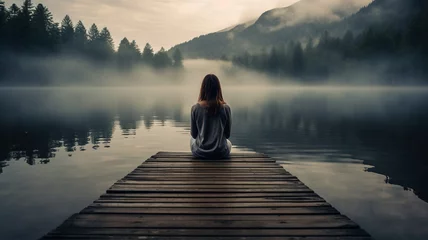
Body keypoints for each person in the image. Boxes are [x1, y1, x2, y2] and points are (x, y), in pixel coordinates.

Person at [190, 74, 232, 159]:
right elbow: (227, 134)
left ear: (203, 89)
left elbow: (194, 135)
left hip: (200, 153)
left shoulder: (195, 108)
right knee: (229, 143)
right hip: (221, 153)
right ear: (218, 89)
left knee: (191, 139)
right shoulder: (226, 108)